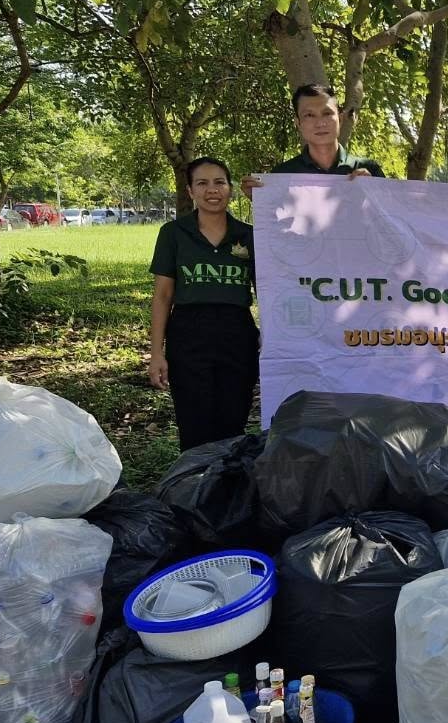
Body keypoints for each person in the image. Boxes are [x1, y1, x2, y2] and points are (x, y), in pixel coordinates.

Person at [149, 157, 259, 451]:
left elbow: (268, 290)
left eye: (220, 182)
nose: (212, 190)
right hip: (188, 335)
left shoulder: (250, 235)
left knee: (232, 423)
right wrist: (156, 353)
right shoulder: (173, 233)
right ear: (190, 191)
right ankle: (194, 479)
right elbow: (162, 295)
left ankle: (227, 478)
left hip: (238, 335)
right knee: (194, 424)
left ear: (230, 188)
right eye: (202, 183)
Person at [240, 84, 384, 195]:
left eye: (327, 113)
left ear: (340, 119)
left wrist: (376, 192)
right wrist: (259, 198)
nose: (320, 123)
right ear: (298, 123)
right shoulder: (282, 174)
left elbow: (389, 220)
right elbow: (273, 221)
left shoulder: (368, 171)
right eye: (309, 115)